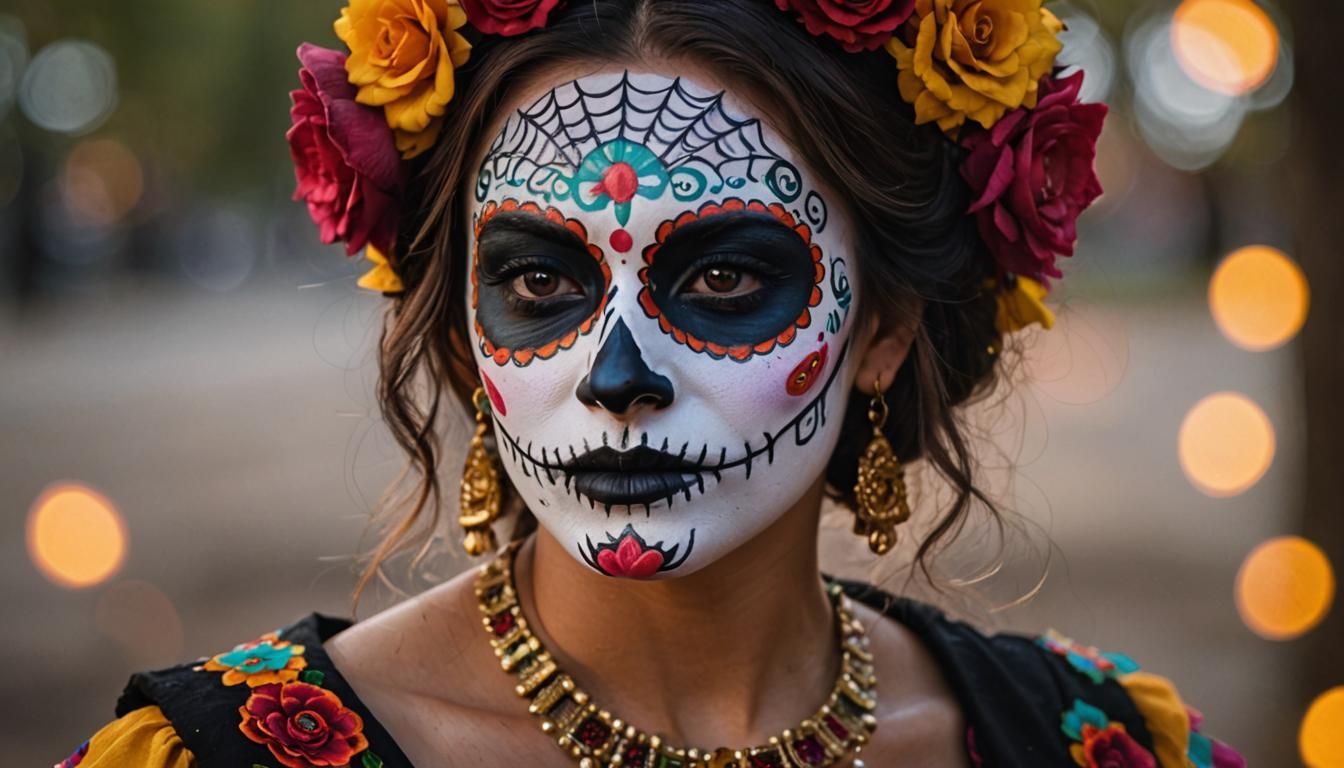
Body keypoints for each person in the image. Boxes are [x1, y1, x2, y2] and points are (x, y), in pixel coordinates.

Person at [58, 1, 1246, 766]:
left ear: (881, 328)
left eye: (726, 277)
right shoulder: (221, 756)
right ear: (464, 324)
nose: (617, 375)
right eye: (538, 283)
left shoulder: (1096, 744)